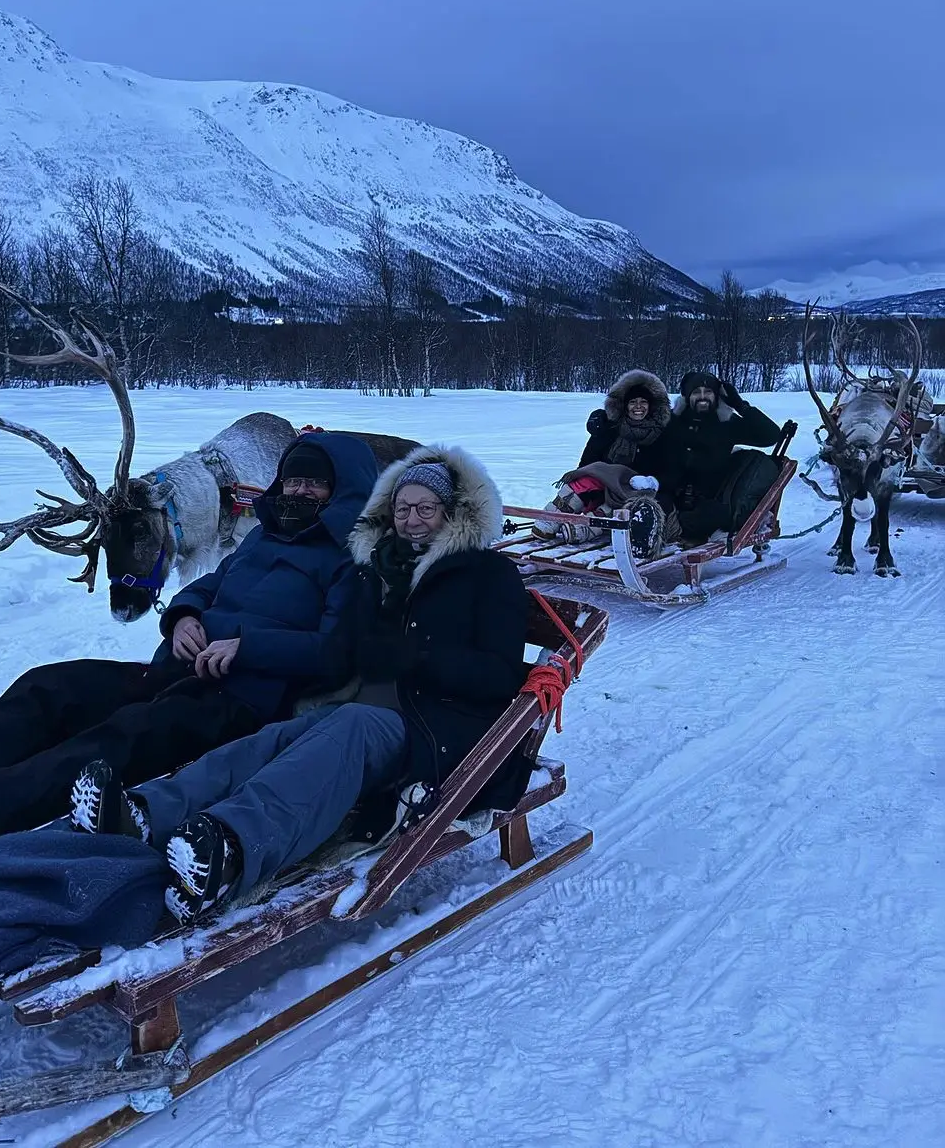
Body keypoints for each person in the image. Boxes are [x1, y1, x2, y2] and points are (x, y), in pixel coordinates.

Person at [0, 432, 379, 882]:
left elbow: (336, 653)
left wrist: (248, 646)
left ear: (346, 489)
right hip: (175, 668)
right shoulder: (264, 533)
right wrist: (183, 617)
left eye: (317, 483)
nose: (300, 491)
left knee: (115, 739)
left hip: (240, 699)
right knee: (51, 687)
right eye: (294, 480)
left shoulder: (352, 559)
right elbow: (207, 585)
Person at [65, 445, 530, 924]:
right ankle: (144, 813)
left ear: (453, 513)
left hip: (437, 727)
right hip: (360, 705)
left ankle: (231, 848)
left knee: (350, 728)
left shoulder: (487, 575)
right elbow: (341, 648)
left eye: (426, 509)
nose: (412, 520)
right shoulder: (378, 569)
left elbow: (499, 676)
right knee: (273, 740)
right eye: (403, 508)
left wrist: (421, 658)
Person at [535, 369, 672, 559]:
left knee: (621, 507)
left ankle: (583, 529)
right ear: (625, 405)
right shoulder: (611, 428)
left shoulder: (662, 434)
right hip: (606, 485)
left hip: (635, 491)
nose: (638, 407)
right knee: (586, 480)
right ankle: (551, 518)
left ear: (651, 406)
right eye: (633, 402)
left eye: (643, 402)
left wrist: (651, 481)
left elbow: (671, 468)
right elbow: (588, 461)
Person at [666, 372, 784, 542]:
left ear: (717, 395)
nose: (702, 397)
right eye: (696, 392)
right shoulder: (672, 421)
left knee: (712, 515)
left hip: (708, 501)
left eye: (708, 392)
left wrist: (739, 405)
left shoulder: (726, 423)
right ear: (687, 396)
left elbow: (771, 435)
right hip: (672, 494)